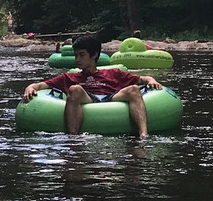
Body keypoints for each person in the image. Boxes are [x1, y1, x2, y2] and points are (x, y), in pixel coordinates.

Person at [22, 34, 164, 138]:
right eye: (76, 55)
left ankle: (143, 136)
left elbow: (142, 79)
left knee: (133, 89)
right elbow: (40, 85)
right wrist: (30, 87)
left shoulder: (113, 73)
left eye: (82, 55)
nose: (77, 60)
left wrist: (150, 79)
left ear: (94, 55)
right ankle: (73, 138)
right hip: (87, 97)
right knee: (74, 89)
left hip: (111, 97)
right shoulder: (70, 77)